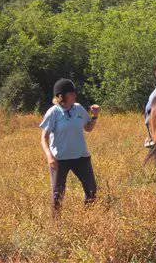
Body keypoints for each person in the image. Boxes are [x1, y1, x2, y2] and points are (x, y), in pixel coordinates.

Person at [40, 78, 100, 217]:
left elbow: (88, 128)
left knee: (91, 190)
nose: (75, 95)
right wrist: (49, 157)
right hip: (60, 159)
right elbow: (44, 138)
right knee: (57, 195)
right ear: (61, 96)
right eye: (71, 92)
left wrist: (94, 116)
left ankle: (87, 218)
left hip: (81, 157)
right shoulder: (53, 112)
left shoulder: (78, 108)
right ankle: (56, 226)